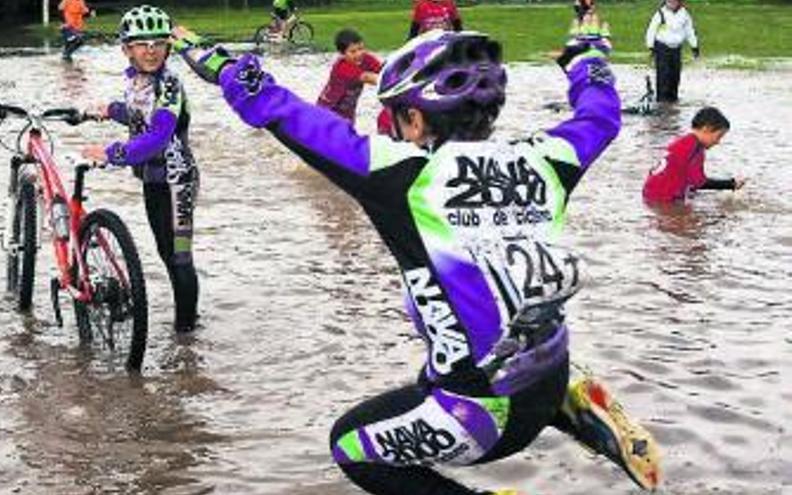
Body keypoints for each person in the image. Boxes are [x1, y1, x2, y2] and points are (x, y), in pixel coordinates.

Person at [172, 12, 661, 495]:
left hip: (485, 418)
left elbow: (285, 112)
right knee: (437, 368)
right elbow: (600, 115)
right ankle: (573, 404)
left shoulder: (401, 176)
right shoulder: (547, 158)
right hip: (548, 376)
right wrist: (585, 59)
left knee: (350, 445)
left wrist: (217, 63)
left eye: (395, 115)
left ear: (413, 117)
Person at [82, 5, 200, 334]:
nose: (151, 50)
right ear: (126, 49)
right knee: (165, 253)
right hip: (151, 177)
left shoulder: (170, 85)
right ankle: (188, 325)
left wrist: (112, 153)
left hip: (178, 180)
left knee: (179, 257)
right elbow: (137, 115)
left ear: (169, 47)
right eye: (141, 44)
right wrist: (107, 110)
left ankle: (186, 338)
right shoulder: (137, 81)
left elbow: (159, 135)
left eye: (158, 43)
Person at [643, 106, 744, 204]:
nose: (718, 142)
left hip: (650, 193)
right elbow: (699, 182)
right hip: (663, 199)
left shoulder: (683, 142)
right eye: (718, 136)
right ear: (706, 129)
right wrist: (731, 184)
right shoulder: (696, 149)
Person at [317, 29, 382, 126]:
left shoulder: (366, 58)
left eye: (361, 48)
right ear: (342, 54)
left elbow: (383, 69)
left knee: (348, 133)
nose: (358, 54)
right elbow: (368, 78)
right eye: (353, 51)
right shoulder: (342, 67)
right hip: (327, 112)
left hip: (348, 112)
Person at [645, 0, 699, 102]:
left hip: (676, 49)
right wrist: (651, 46)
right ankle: (661, 100)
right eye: (669, 1)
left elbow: (689, 30)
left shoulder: (684, 14)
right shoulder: (660, 13)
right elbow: (651, 30)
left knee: (675, 74)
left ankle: (673, 99)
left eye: (674, 1)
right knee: (663, 74)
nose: (671, 3)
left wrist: (694, 46)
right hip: (662, 48)